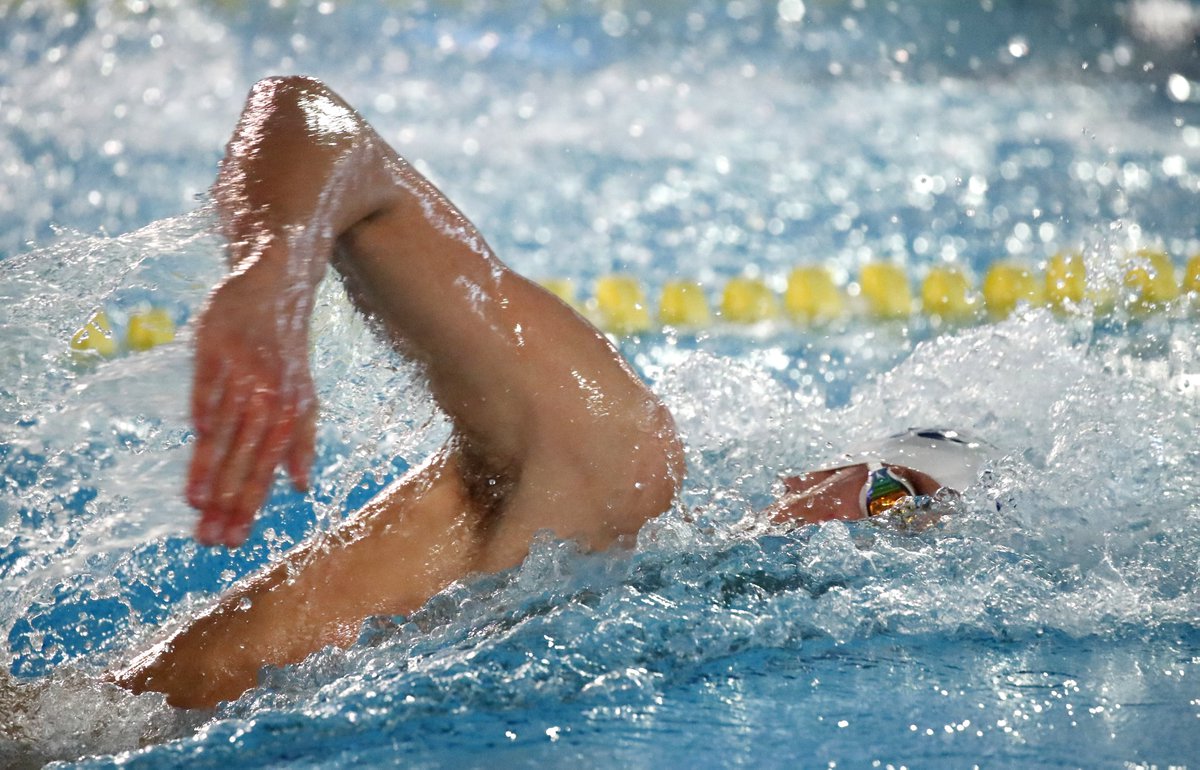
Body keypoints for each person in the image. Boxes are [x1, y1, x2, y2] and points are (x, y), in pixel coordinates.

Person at [114, 77, 990, 709]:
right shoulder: (613, 461)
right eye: (894, 497)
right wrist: (272, 270)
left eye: (920, 541)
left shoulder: (643, 612)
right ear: (818, 473)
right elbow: (317, 124)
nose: (876, 545)